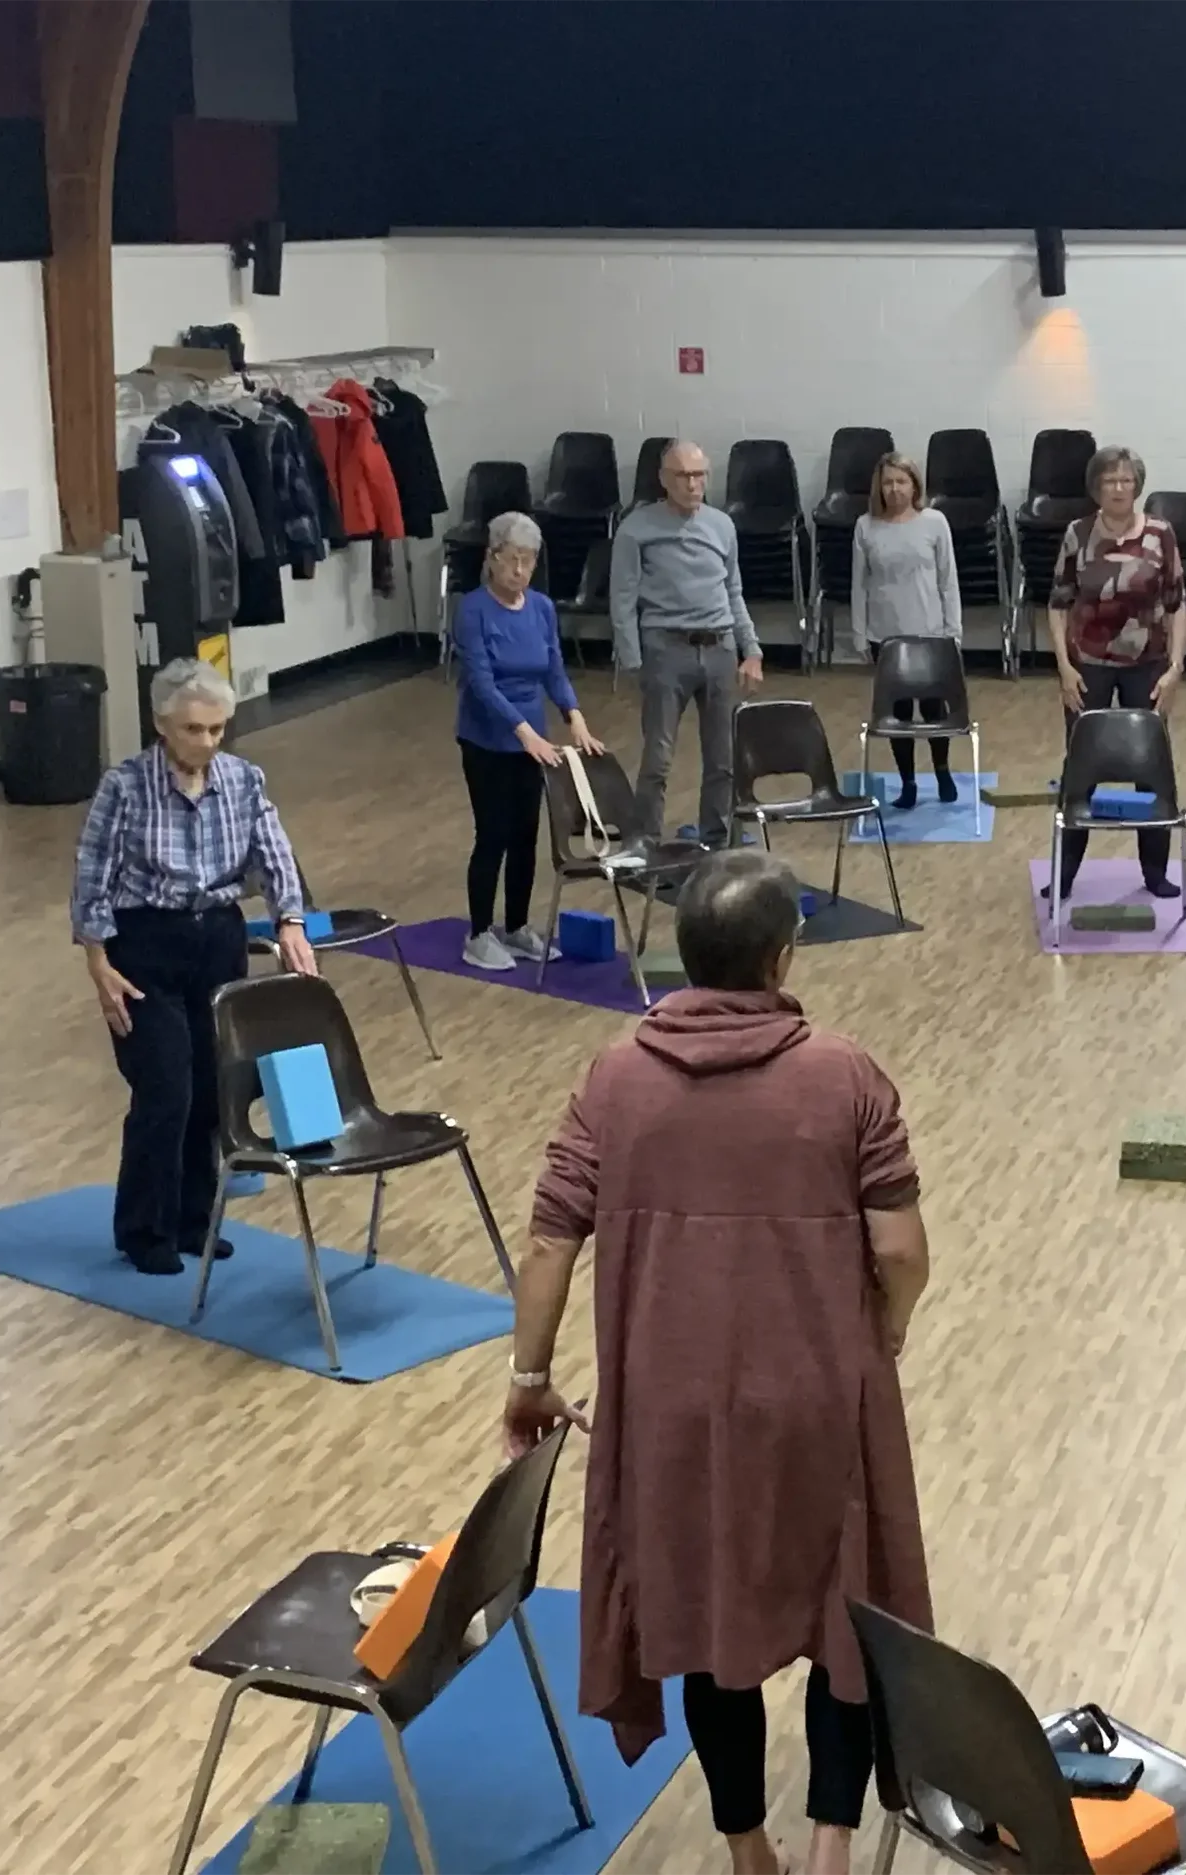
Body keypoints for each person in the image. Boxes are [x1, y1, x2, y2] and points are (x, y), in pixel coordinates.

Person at [506, 849, 933, 1875]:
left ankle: (747, 1848)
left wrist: (528, 1379)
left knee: (707, 1621)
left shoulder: (612, 1080)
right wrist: (891, 1327)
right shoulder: (845, 1075)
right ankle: (833, 1840)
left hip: (669, 1408)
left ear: (685, 958)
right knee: (846, 1611)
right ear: (785, 958)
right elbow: (902, 1250)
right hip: (821, 1397)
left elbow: (548, 1243)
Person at [70, 660, 318, 1275]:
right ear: (161, 725)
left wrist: (290, 921)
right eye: (192, 730)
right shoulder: (123, 788)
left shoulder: (242, 780)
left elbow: (275, 854)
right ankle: (142, 1230)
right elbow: (91, 878)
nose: (206, 742)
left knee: (212, 1089)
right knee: (165, 1090)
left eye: (216, 729)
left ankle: (192, 1221)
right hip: (143, 948)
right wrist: (97, 962)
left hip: (217, 941)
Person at [452, 512, 604, 971]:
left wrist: (573, 716)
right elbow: (481, 682)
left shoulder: (541, 608)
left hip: (531, 741)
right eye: (511, 560)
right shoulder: (472, 610)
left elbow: (553, 668)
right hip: (487, 739)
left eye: (528, 561)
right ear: (491, 558)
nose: (519, 571)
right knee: (493, 834)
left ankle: (517, 926)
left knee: (526, 836)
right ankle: (479, 933)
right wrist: (525, 734)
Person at [1045, 445, 1186, 899]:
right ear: (1096, 488)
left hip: (1148, 666)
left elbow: (1178, 604)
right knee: (1081, 770)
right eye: (1110, 481)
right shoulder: (1078, 533)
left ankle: (1155, 873)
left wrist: (1176, 668)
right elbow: (1057, 604)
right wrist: (1064, 668)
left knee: (1152, 769)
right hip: (1087, 667)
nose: (1119, 488)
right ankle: (1065, 875)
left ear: (1138, 486)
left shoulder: (1161, 534)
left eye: (1126, 480)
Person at [611, 441, 766, 848]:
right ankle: (643, 841)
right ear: (664, 480)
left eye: (699, 475)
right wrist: (634, 662)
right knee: (658, 758)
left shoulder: (722, 525)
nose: (692, 484)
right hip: (666, 649)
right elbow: (622, 600)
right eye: (683, 475)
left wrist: (751, 650)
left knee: (723, 758)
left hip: (720, 648)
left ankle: (717, 840)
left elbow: (734, 591)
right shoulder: (635, 529)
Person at [851, 452, 963, 808]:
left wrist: (953, 632)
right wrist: (859, 633)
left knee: (933, 710)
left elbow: (948, 581)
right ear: (879, 487)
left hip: (930, 633)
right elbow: (859, 585)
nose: (895, 489)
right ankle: (908, 783)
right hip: (887, 636)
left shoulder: (935, 523)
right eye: (888, 482)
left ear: (914, 484)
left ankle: (943, 774)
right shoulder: (865, 526)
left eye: (901, 481)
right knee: (897, 715)